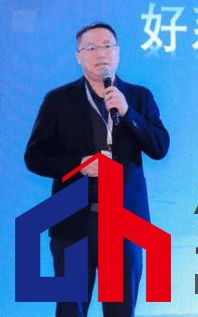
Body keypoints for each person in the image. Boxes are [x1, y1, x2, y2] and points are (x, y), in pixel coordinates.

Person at [24, 22, 170, 317]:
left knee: (120, 310)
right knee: (70, 309)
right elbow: (35, 157)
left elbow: (159, 147)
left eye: (106, 46)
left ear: (118, 52)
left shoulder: (138, 97)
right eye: (90, 48)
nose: (100, 53)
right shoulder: (58, 100)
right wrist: (78, 165)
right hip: (73, 223)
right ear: (78, 56)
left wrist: (128, 113)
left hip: (124, 223)